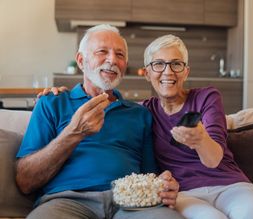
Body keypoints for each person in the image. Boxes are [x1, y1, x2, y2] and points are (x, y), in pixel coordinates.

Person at [41, 34, 253, 219]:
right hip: (185, 193)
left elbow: (214, 159)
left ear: (186, 71)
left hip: (229, 184)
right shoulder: (143, 112)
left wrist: (200, 139)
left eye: (176, 64)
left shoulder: (206, 97)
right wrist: (59, 93)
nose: (167, 72)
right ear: (147, 73)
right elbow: (97, 93)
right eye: (159, 64)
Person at [15, 25, 184, 219]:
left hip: (131, 204)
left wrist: (164, 186)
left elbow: (150, 176)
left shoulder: (139, 113)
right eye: (102, 51)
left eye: (119, 55)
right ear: (81, 60)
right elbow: (25, 181)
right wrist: (73, 133)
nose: (112, 60)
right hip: (67, 203)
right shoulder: (52, 103)